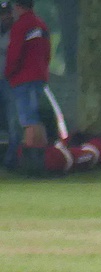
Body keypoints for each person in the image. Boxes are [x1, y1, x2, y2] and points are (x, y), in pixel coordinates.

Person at [3, 0, 49, 175]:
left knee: (28, 121)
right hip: (39, 77)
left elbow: (14, 54)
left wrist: (9, 73)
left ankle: (31, 165)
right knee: (36, 119)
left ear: (18, 7)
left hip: (23, 79)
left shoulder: (20, 26)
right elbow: (47, 52)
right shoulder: (41, 24)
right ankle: (44, 160)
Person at [0, 1, 21, 170]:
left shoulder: (17, 31)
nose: (5, 17)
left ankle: (12, 159)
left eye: (7, 14)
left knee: (13, 120)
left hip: (10, 82)